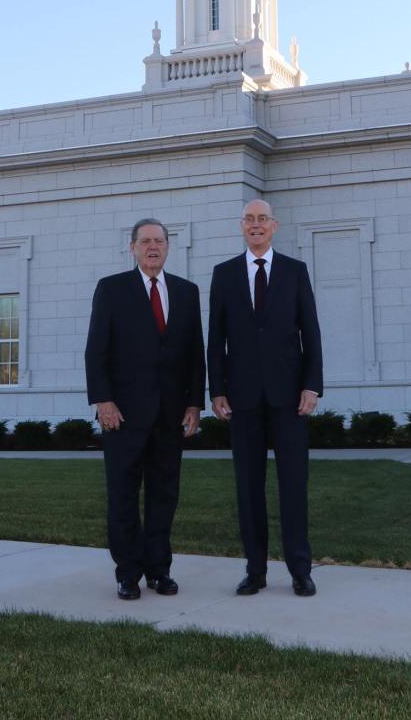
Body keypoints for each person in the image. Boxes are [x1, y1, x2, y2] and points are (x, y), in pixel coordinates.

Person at [85, 219, 205, 600]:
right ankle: (128, 574)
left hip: (170, 416)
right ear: (133, 247)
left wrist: (194, 403)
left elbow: (195, 353)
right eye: (146, 241)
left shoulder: (186, 292)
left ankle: (159, 570)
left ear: (168, 247)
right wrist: (103, 401)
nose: (153, 247)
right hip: (122, 416)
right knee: (123, 497)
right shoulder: (112, 289)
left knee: (163, 496)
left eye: (159, 241)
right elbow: (96, 350)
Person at [207, 199, 323, 596]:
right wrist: (217, 390)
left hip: (290, 397)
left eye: (262, 219)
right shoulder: (224, 274)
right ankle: (255, 570)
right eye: (249, 219)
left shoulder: (295, 271)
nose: (255, 225)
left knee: (294, 485)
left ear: (274, 226)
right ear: (241, 226)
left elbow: (311, 331)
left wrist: (312, 385)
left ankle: (300, 570)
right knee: (248, 487)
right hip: (242, 399)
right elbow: (215, 338)